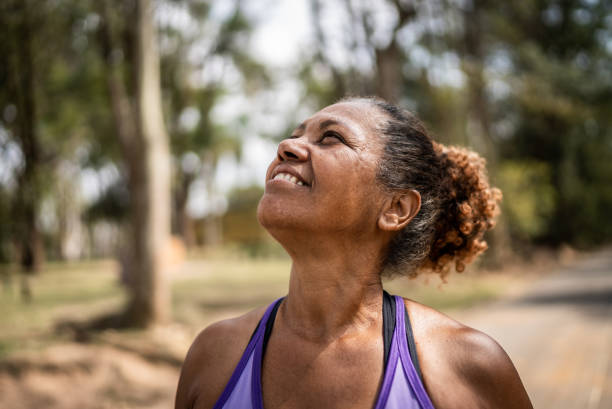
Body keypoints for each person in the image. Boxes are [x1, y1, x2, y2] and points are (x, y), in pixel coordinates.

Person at [175, 97, 533, 409]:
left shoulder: (467, 366)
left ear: (395, 207)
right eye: (296, 134)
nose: (287, 145)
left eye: (331, 138)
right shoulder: (214, 356)